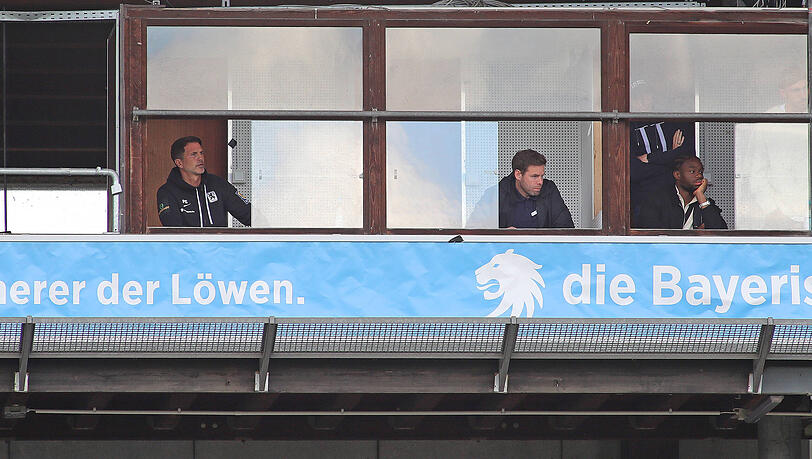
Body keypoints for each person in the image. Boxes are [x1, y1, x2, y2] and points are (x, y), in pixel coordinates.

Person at [629, 79, 696, 226]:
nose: (643, 101)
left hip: (673, 198)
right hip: (642, 201)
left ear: (653, 98)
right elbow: (633, 171)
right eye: (637, 98)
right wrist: (670, 157)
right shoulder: (626, 127)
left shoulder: (670, 121)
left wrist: (651, 158)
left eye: (646, 96)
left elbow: (686, 157)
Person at [157, 136, 251, 227]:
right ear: (179, 163)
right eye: (194, 154)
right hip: (187, 239)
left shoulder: (219, 184)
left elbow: (249, 215)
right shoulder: (167, 192)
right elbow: (173, 231)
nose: (200, 158)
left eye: (201, 153)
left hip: (219, 239)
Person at [636, 156, 727, 230]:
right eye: (692, 171)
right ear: (677, 175)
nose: (699, 175)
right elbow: (651, 235)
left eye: (701, 172)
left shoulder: (704, 203)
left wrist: (700, 196)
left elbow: (721, 234)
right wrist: (694, 235)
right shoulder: (657, 200)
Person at [497, 149, 574, 229]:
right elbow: (488, 230)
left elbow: (566, 228)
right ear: (518, 175)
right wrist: (502, 234)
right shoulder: (497, 195)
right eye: (534, 176)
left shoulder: (548, 189)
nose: (540, 182)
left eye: (542, 176)